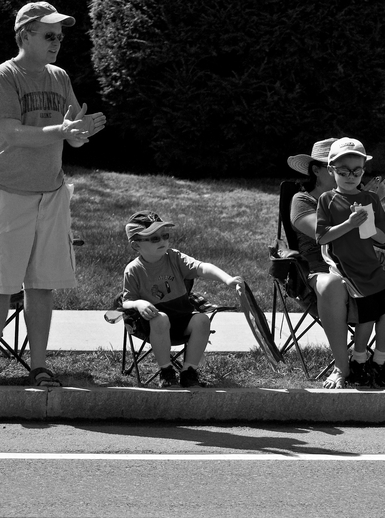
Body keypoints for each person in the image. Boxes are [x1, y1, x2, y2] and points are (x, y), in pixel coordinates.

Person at [0, 2, 106, 387]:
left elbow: (73, 133)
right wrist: (63, 131)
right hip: (9, 194)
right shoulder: (6, 76)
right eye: (49, 35)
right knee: (2, 285)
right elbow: (10, 132)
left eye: (60, 36)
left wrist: (82, 132)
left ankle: (39, 366)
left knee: (41, 284)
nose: (57, 42)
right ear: (25, 34)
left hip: (52, 192)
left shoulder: (59, 76)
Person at [288, 138, 385, 389]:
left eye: (355, 170)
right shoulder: (303, 201)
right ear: (321, 169)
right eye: (340, 168)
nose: (349, 174)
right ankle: (342, 367)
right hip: (319, 270)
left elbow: (373, 233)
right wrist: (363, 208)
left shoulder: (360, 197)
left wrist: (370, 201)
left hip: (361, 268)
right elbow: (323, 231)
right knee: (332, 284)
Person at [122, 210, 245, 388]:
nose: (163, 241)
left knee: (202, 320)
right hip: (152, 324)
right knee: (160, 318)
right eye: (154, 238)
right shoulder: (133, 270)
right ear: (136, 245)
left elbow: (202, 267)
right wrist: (139, 303)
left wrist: (228, 279)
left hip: (181, 318)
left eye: (165, 236)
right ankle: (166, 371)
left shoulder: (174, 257)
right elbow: (126, 301)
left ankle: (189, 371)